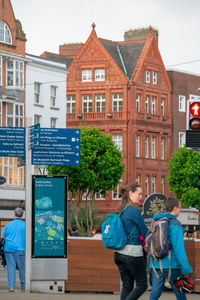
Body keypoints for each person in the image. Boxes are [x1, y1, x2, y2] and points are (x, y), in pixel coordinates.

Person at [149, 197, 193, 300]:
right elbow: (179, 248)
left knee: (155, 293)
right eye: (180, 207)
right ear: (174, 208)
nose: (180, 209)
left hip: (155, 263)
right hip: (171, 265)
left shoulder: (156, 220)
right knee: (180, 294)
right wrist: (186, 267)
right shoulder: (175, 223)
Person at [114, 183, 148, 300]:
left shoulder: (120, 210)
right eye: (139, 194)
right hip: (132, 253)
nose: (141, 197)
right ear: (130, 193)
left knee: (127, 284)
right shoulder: (134, 211)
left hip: (118, 253)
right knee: (142, 284)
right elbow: (145, 232)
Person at [1, 207, 25, 292]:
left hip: (9, 249)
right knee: (22, 268)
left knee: (11, 268)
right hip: (21, 249)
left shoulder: (8, 225)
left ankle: (11, 287)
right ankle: (23, 286)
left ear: (14, 214)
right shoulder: (25, 225)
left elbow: (2, 237)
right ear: (22, 215)